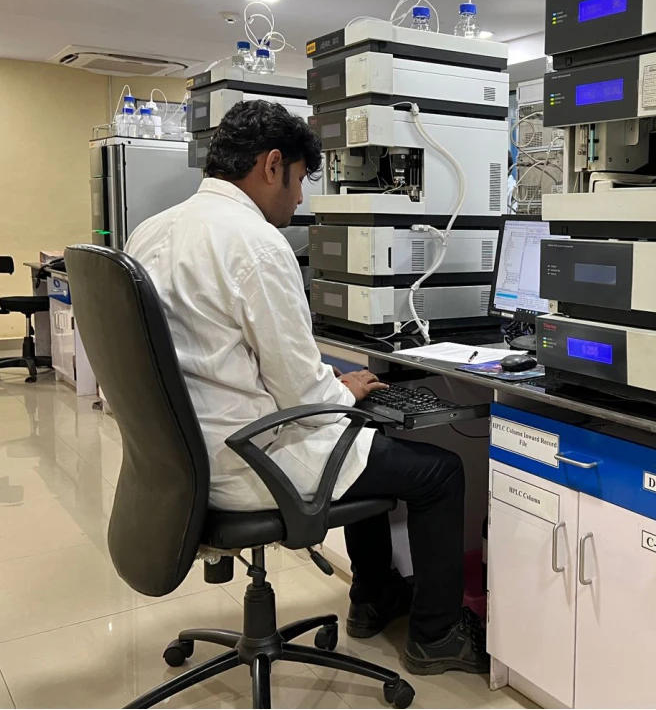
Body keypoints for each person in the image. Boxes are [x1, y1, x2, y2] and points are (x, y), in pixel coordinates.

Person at [125, 100, 487, 675]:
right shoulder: (255, 243)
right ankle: (436, 636)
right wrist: (343, 389)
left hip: (181, 461)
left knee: (360, 440)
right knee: (435, 471)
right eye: (298, 181)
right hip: (248, 461)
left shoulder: (150, 231)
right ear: (273, 165)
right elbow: (304, 396)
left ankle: (374, 596)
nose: (299, 200)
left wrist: (331, 389)